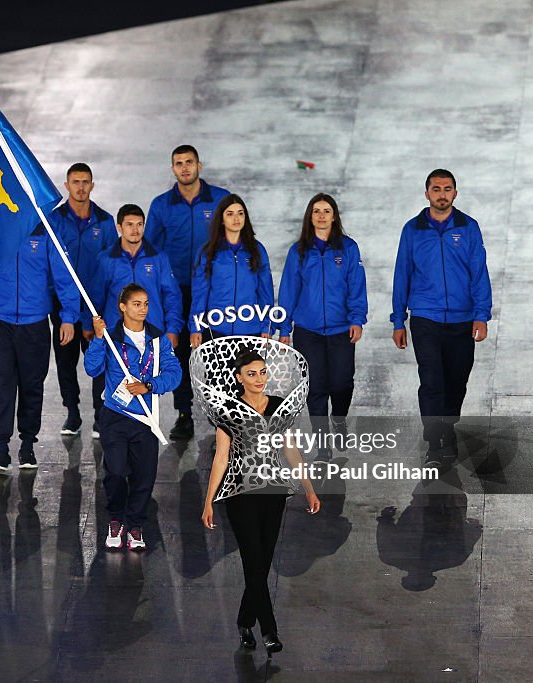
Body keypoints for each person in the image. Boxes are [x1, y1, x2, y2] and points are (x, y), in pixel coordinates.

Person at [201, 351, 320, 655]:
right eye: (251, 373)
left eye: (263, 372)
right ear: (238, 377)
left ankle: (244, 620)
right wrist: (209, 501)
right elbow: (221, 457)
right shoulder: (229, 410)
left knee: (261, 564)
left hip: (274, 492)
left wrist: (308, 488)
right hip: (240, 493)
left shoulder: (279, 406)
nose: (259, 379)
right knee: (254, 561)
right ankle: (269, 630)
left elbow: (290, 449)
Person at [391, 169, 492, 467]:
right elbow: (402, 275)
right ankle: (436, 441)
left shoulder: (469, 228)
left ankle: (446, 427)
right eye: (436, 189)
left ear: (455, 194)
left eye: (447, 189)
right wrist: (399, 320)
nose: (442, 194)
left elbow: (479, 273)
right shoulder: (412, 230)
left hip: (462, 319)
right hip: (425, 317)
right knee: (432, 379)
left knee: (457, 380)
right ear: (427, 194)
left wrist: (481, 315)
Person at [0, 224, 80, 474]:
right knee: (1, 383)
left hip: (34, 324)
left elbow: (65, 275)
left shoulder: (47, 232)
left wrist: (68, 317)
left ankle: (28, 444)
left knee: (32, 384)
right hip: (0, 321)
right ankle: (1, 448)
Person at [84, 284, 182, 551]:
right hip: (115, 415)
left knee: (144, 476)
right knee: (115, 471)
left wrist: (149, 386)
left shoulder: (158, 340)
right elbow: (92, 369)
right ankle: (116, 519)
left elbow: (175, 374)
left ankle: (135, 525)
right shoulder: (111, 337)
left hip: (146, 419)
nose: (142, 309)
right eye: (137, 304)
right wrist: (97, 339)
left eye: (146, 304)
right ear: (122, 306)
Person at [147, 145, 229, 440]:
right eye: (179, 164)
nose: (184, 168)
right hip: (177, 290)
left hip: (212, 291)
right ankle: (184, 413)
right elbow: (151, 251)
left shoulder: (220, 200)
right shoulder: (161, 206)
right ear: (173, 169)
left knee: (216, 352)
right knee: (179, 353)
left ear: (199, 165)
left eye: (189, 162)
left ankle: (222, 414)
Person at [277, 193, 367, 454]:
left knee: (341, 383)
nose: (321, 215)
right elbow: (288, 291)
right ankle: (323, 444)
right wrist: (284, 328)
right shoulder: (299, 251)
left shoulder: (348, 248)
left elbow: (356, 287)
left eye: (326, 211)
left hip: (341, 329)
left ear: (334, 215)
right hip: (309, 330)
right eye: (316, 211)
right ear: (310, 216)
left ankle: (339, 418)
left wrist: (357, 319)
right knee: (315, 387)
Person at [85, 204, 182, 437]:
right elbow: (95, 295)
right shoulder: (106, 259)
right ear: (119, 227)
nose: (135, 230)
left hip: (150, 333)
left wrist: (173, 328)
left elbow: (171, 294)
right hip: (115, 335)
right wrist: (89, 326)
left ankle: (144, 424)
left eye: (139, 225)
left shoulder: (158, 258)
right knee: (107, 376)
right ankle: (104, 419)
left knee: (148, 377)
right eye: (129, 225)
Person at [47, 163, 118, 436]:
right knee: (65, 359)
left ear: (92, 185)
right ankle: (73, 413)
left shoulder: (104, 221)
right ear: (66, 186)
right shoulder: (54, 220)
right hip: (63, 303)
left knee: (98, 359)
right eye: (75, 182)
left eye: (85, 182)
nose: (80, 187)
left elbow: (111, 263)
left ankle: (100, 414)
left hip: (95, 303)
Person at [189, 194, 274, 346]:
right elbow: (200, 293)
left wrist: (267, 325)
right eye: (230, 214)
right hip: (216, 330)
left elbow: (265, 292)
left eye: (240, 213)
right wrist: (196, 327)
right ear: (221, 219)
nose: (236, 218)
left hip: (250, 329)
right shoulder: (208, 252)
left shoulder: (257, 250)